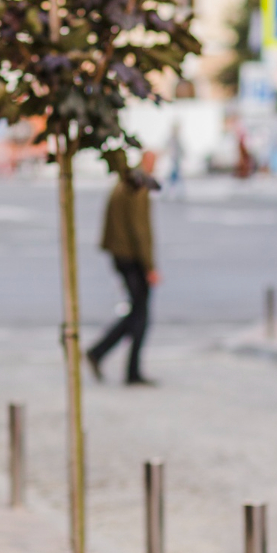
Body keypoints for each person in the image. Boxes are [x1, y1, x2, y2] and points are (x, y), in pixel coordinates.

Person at [87, 150, 161, 386]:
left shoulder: (124, 182)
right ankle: (129, 369)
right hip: (131, 257)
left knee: (137, 313)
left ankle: (101, 353)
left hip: (121, 254)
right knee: (140, 315)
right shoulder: (137, 186)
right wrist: (149, 265)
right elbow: (140, 231)